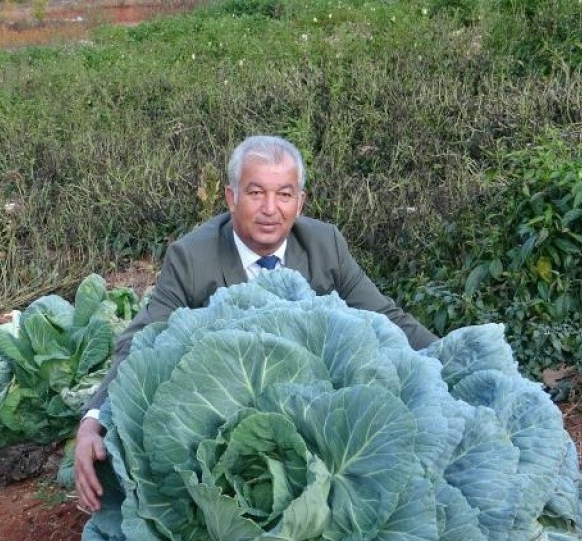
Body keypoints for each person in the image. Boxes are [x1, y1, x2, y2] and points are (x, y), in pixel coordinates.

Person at [73, 135, 436, 512]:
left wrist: (446, 354)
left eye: (284, 194)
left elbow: (387, 317)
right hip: (220, 423)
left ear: (300, 202)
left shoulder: (325, 245)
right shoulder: (192, 258)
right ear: (231, 197)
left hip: (313, 423)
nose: (270, 209)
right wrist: (94, 418)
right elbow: (139, 342)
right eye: (255, 193)